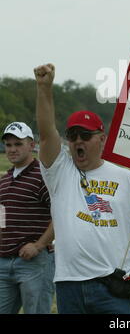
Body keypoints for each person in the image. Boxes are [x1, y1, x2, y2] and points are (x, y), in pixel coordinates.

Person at [34, 63, 130, 314]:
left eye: (85, 135)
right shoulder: (59, 171)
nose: (78, 142)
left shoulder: (125, 178)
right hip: (69, 283)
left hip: (114, 285)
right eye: (72, 136)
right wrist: (44, 88)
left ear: (102, 138)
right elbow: (45, 132)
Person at [0, 122, 55, 314]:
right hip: (4, 262)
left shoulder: (43, 176)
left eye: (18, 143)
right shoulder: (4, 180)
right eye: (8, 145)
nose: (12, 149)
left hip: (35, 262)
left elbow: (60, 214)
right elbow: (2, 217)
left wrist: (39, 245)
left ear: (32, 145)